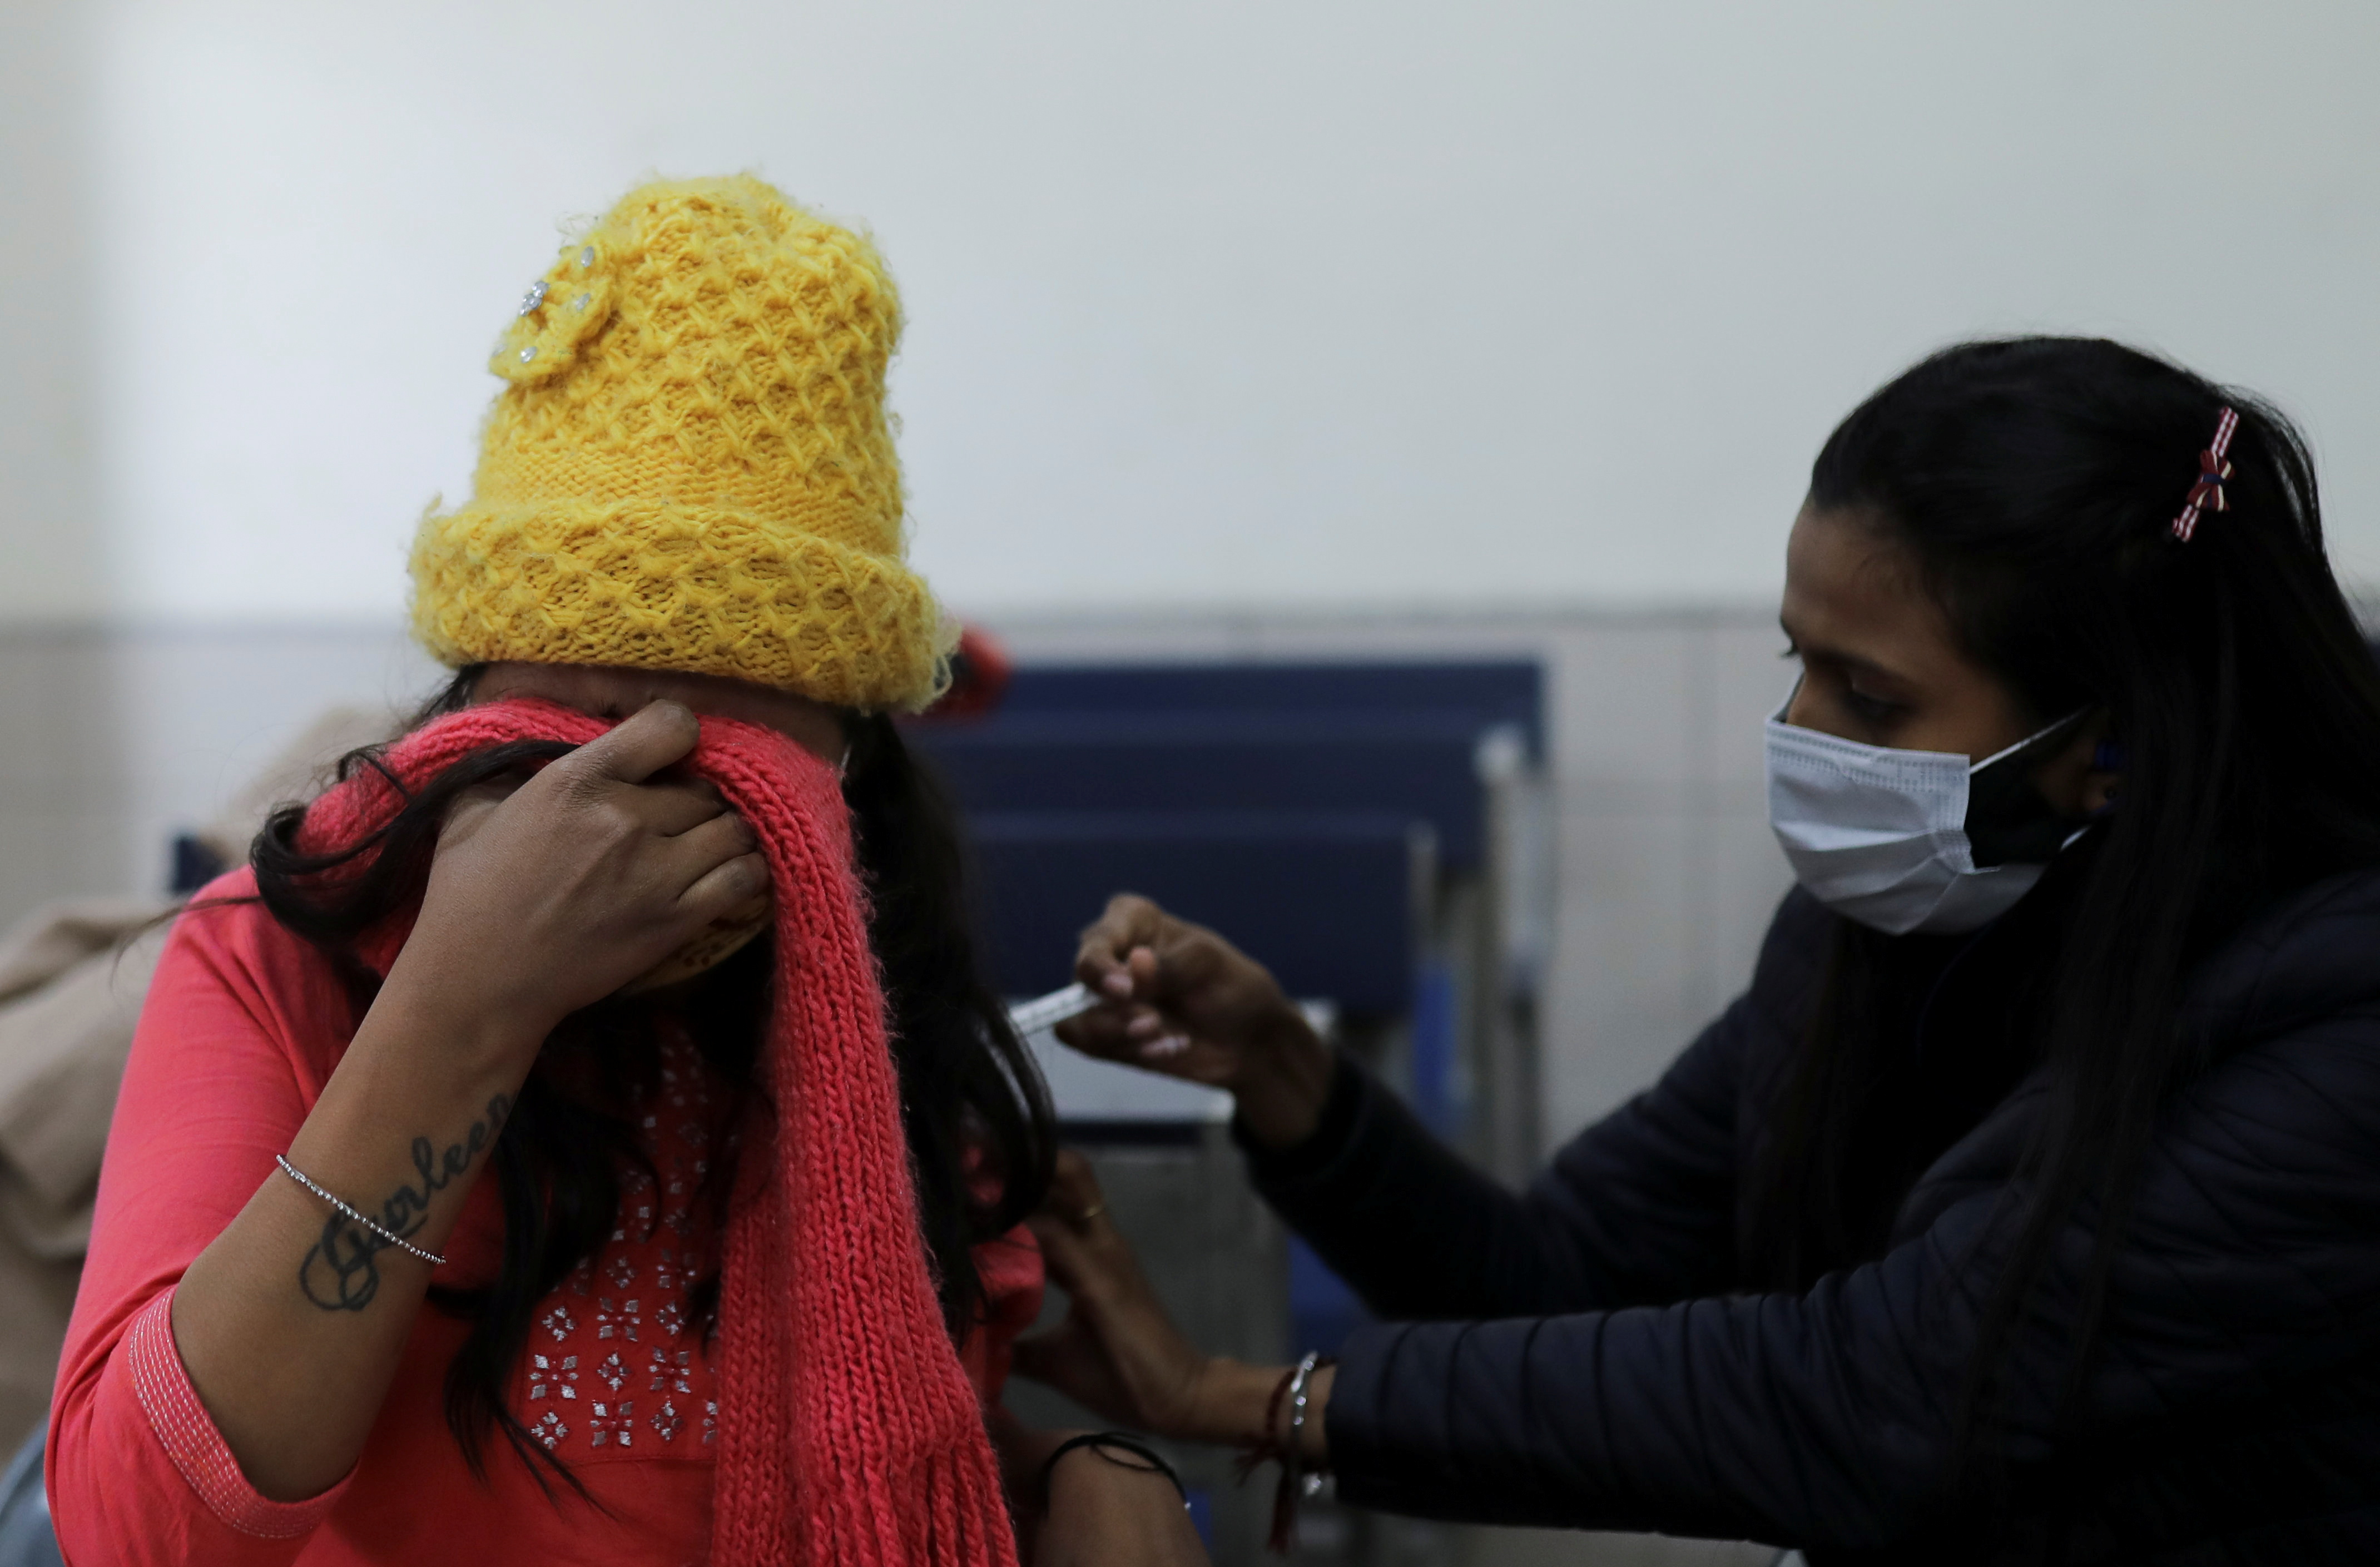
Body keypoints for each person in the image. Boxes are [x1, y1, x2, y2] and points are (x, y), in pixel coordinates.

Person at [1020, 338, 2380, 1562]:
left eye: (1872, 695)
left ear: (2113, 743)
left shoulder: (2333, 1015)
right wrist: (1284, 1075)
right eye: (1798, 662)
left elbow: (1879, 1402)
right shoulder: (1892, 926)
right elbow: (1542, 1279)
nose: (1799, 729)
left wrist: (1249, 1399)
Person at [48, 177, 1205, 1567]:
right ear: (472, 698)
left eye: (729, 737)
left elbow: (869, 1422)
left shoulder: (863, 981)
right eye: (569, 728)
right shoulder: (273, 964)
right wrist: (464, 1005)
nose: (622, 811)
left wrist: (1073, 1458)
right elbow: (141, 1528)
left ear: (847, 750)